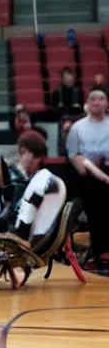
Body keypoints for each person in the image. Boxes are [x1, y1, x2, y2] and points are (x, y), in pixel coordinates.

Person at [0, 131, 68, 265]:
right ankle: (18, 235)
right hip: (33, 238)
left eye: (23, 153)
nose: (20, 158)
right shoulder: (33, 180)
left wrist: (20, 233)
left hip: (38, 238)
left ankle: (20, 234)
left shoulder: (45, 176)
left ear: (35, 154)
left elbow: (36, 196)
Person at [66, 87, 109, 270]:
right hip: (87, 174)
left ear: (106, 103)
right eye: (92, 99)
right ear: (87, 104)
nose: (96, 102)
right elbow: (73, 155)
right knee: (97, 199)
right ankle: (101, 251)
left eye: (100, 99)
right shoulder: (77, 128)